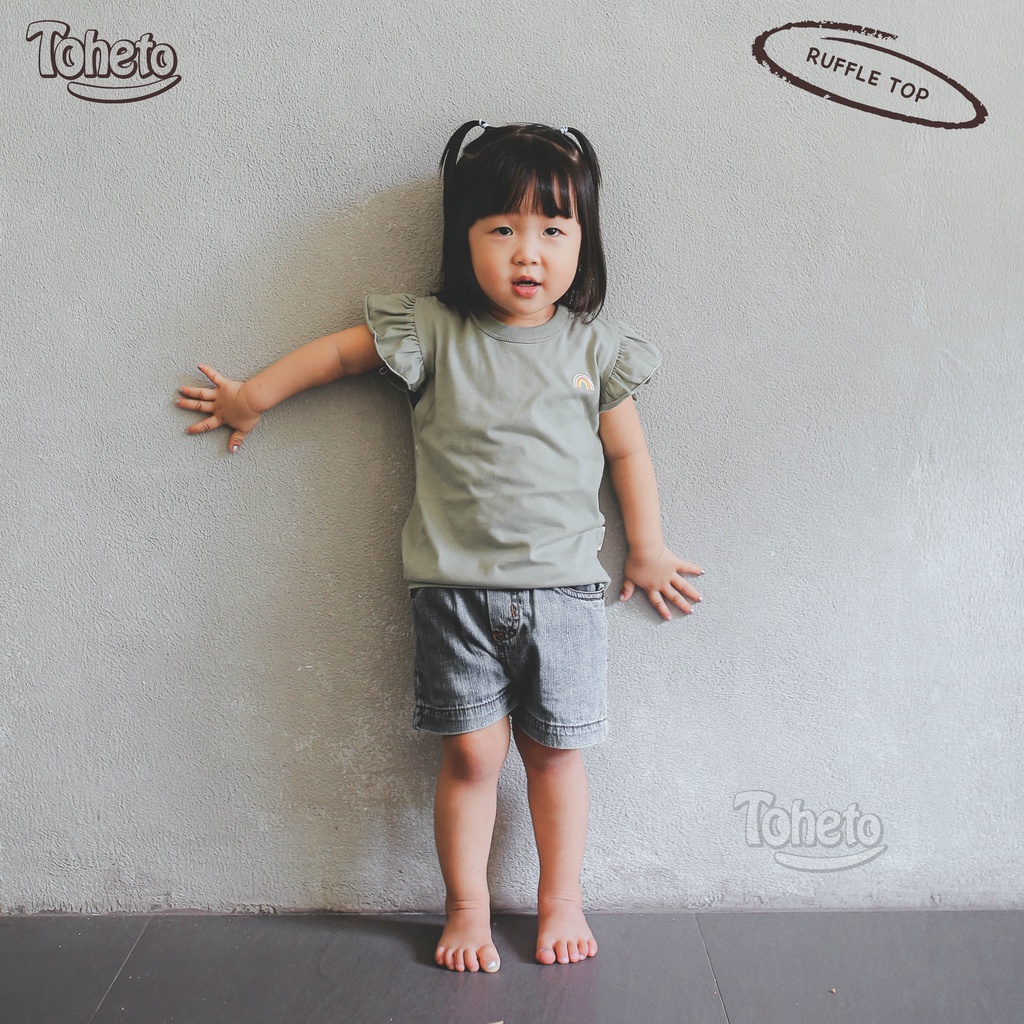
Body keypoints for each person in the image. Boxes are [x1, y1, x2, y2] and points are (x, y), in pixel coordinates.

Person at [177, 120, 703, 974]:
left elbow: (628, 455)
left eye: (553, 230)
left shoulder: (593, 349)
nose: (527, 252)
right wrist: (254, 396)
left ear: (583, 243)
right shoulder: (432, 331)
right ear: (464, 238)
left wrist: (647, 547)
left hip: (566, 595)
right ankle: (465, 908)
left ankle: (561, 899)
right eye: (502, 229)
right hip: (452, 594)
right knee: (470, 756)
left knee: (557, 756)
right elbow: (338, 356)